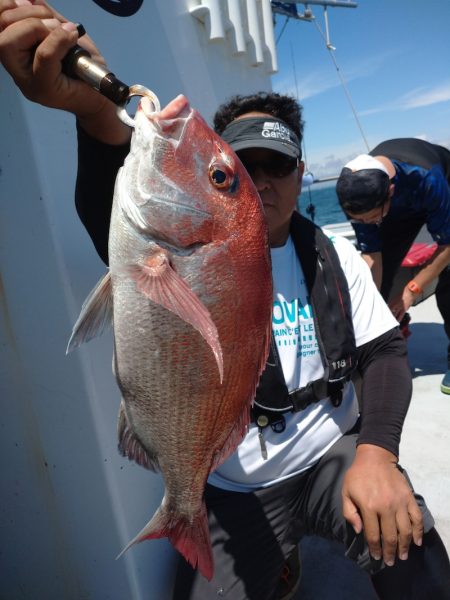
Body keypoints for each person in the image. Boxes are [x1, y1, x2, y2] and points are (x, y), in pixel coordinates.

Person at [1, 4, 450, 599]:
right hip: (232, 487)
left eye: (279, 165)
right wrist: (94, 110)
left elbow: (387, 351)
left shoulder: (332, 256)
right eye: (237, 169)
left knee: (411, 542)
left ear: (300, 174)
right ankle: (268, 553)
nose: (261, 180)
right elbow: (119, 218)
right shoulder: (177, 252)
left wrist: (377, 452)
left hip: (329, 459)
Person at [336, 143, 450, 395]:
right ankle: (385, 339)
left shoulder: (427, 178)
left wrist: (411, 290)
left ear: (391, 191)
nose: (365, 224)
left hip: (438, 190)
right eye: (359, 220)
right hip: (393, 212)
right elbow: (372, 255)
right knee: (380, 282)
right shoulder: (359, 193)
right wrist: (368, 303)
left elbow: (448, 245)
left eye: (369, 219)